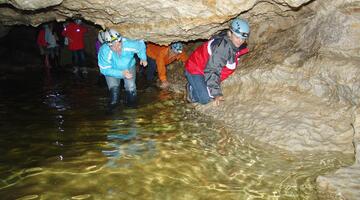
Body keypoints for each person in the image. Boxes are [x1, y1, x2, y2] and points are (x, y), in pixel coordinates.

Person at [184, 18, 250, 106]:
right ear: (230, 33)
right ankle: (191, 90)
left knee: (209, 89)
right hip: (194, 68)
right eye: (237, 37)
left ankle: (200, 85)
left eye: (243, 38)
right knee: (205, 98)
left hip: (205, 67)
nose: (240, 41)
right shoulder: (222, 48)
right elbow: (213, 70)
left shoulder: (234, 44)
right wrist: (216, 94)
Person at [98, 29, 147, 110]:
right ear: (109, 45)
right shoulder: (104, 51)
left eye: (119, 44)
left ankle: (131, 111)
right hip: (112, 70)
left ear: (121, 40)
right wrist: (121, 73)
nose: (118, 48)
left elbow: (140, 44)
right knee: (114, 94)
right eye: (113, 46)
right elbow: (104, 69)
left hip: (129, 66)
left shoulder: (128, 44)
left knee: (131, 88)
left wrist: (143, 57)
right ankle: (112, 116)